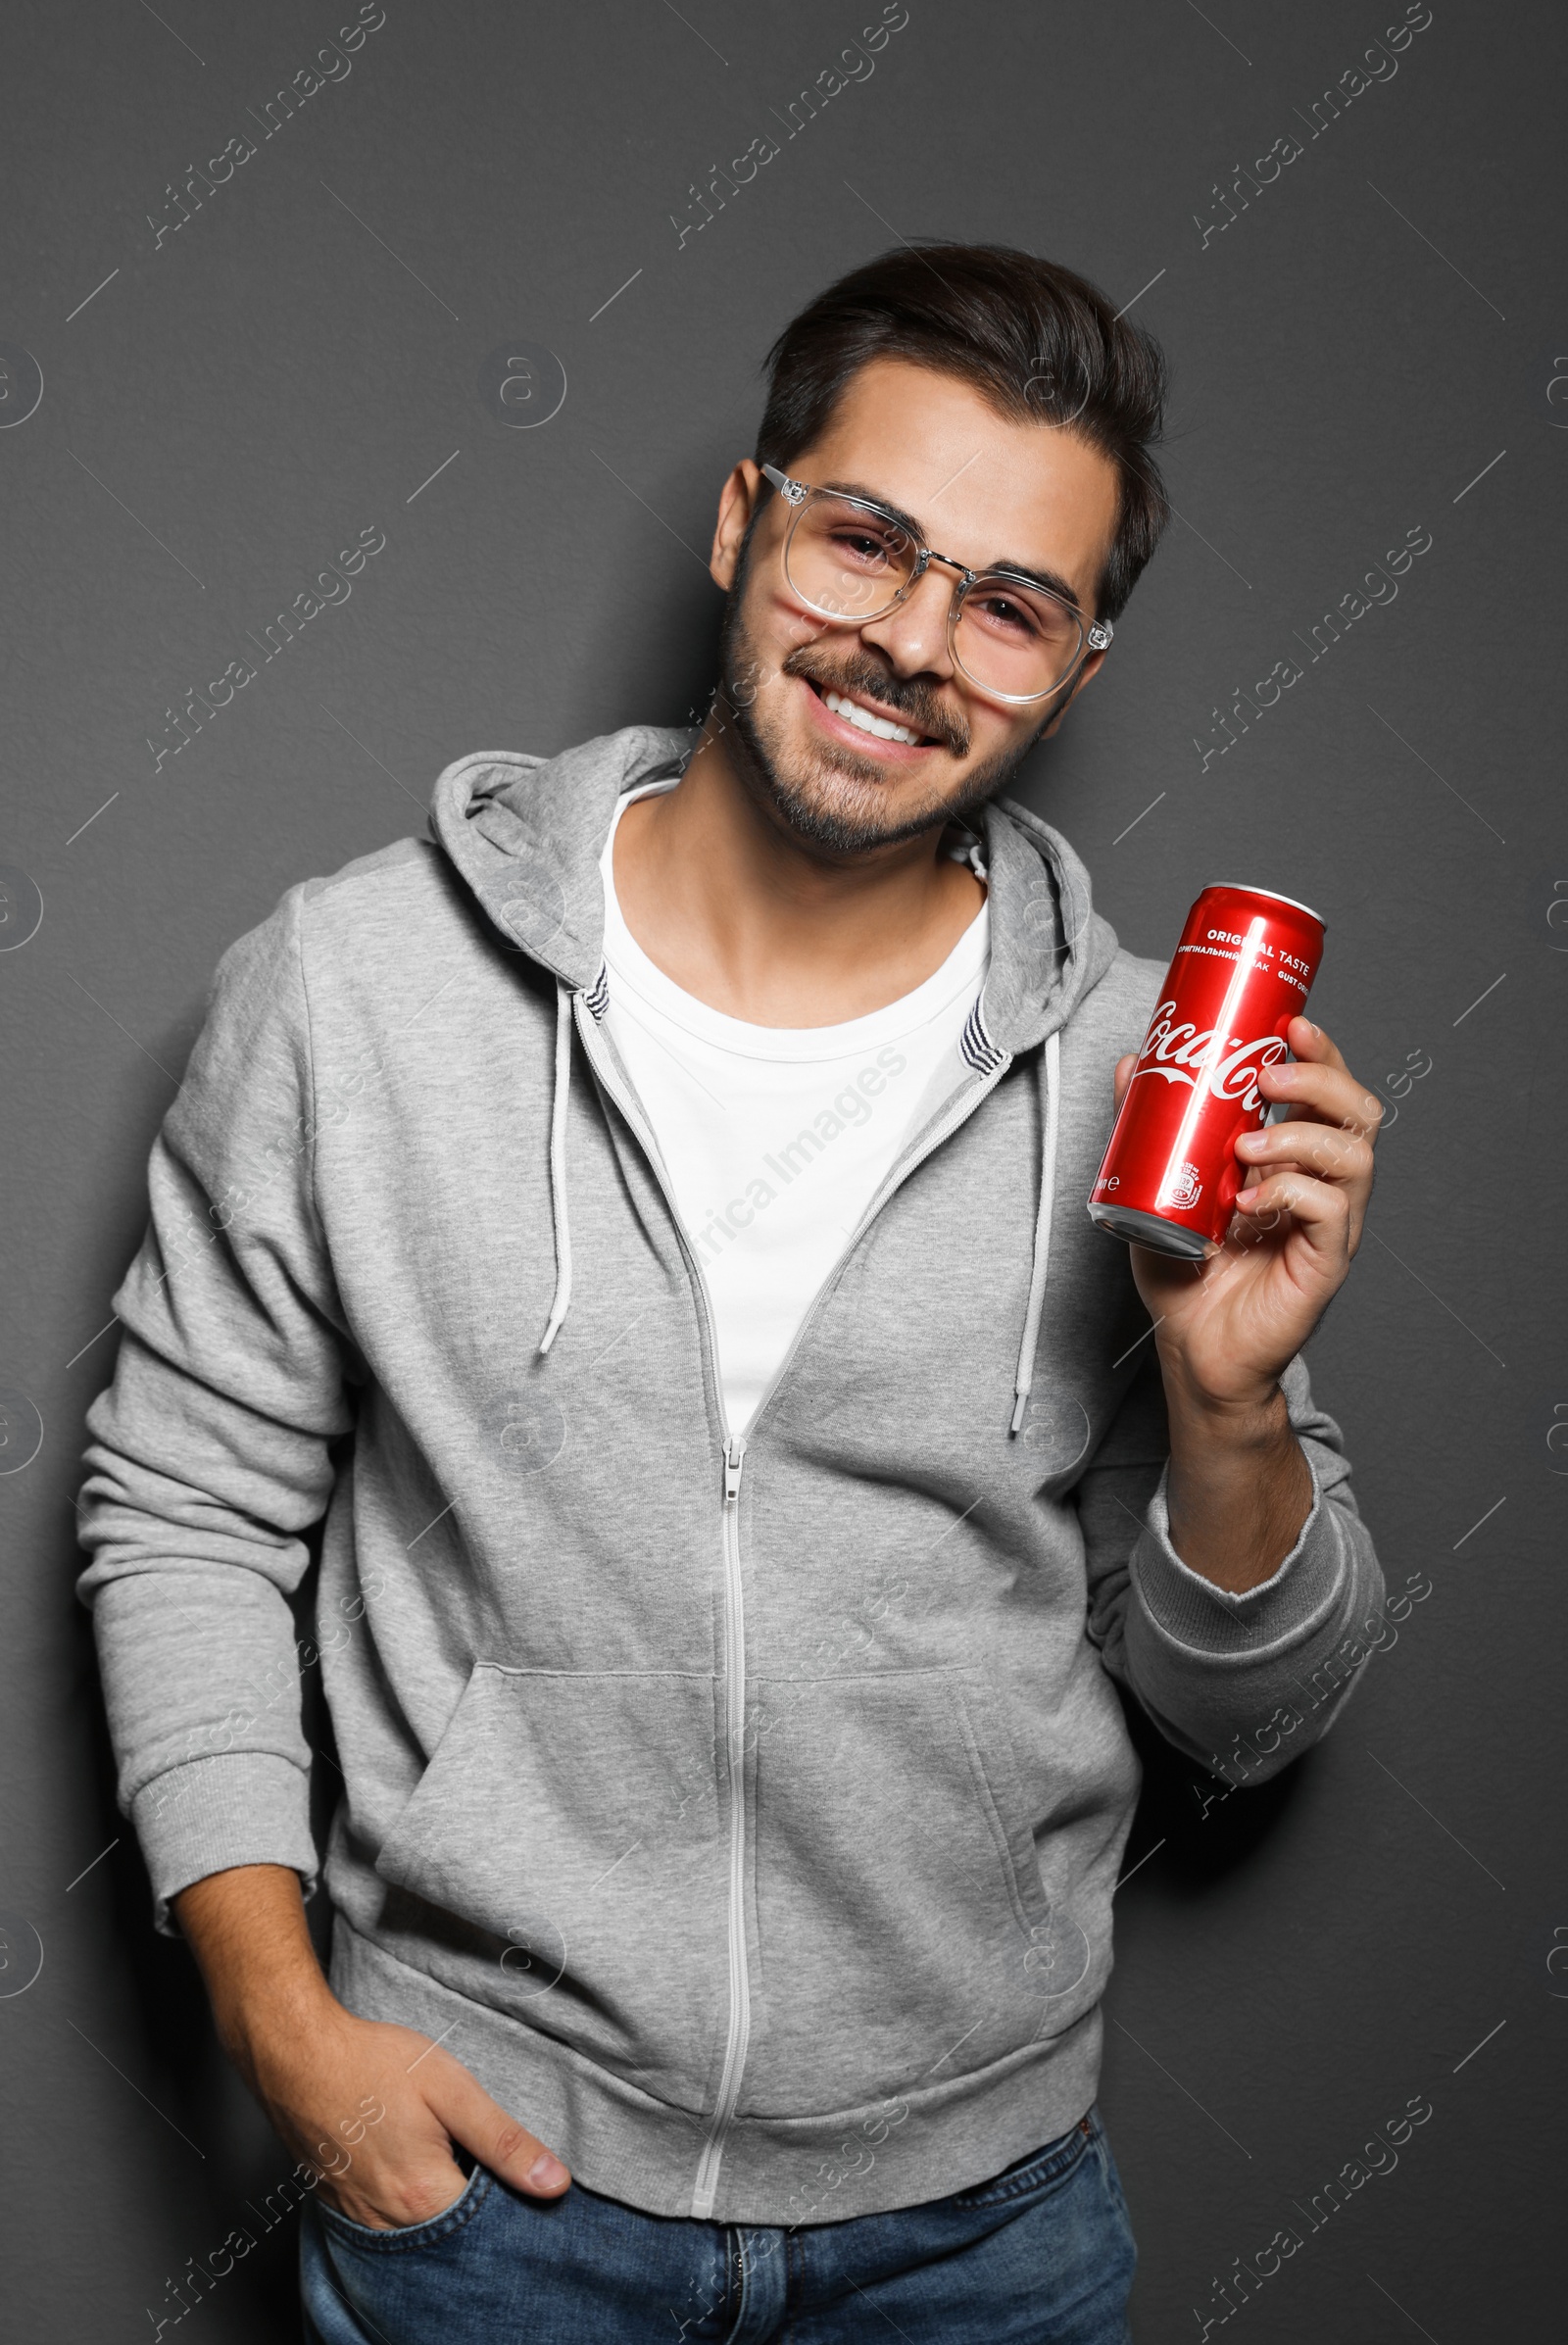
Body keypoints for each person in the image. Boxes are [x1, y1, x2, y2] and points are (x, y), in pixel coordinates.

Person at [77, 244, 1386, 2343]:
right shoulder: (357, 986)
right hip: (485, 2193)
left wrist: (1229, 1408)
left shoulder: (1144, 1071)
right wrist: (280, 2020)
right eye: (862, 539)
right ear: (742, 519)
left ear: (1075, 663)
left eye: (1005, 599)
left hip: (982, 2225)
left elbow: (1253, 1720)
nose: (907, 642)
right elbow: (187, 1505)